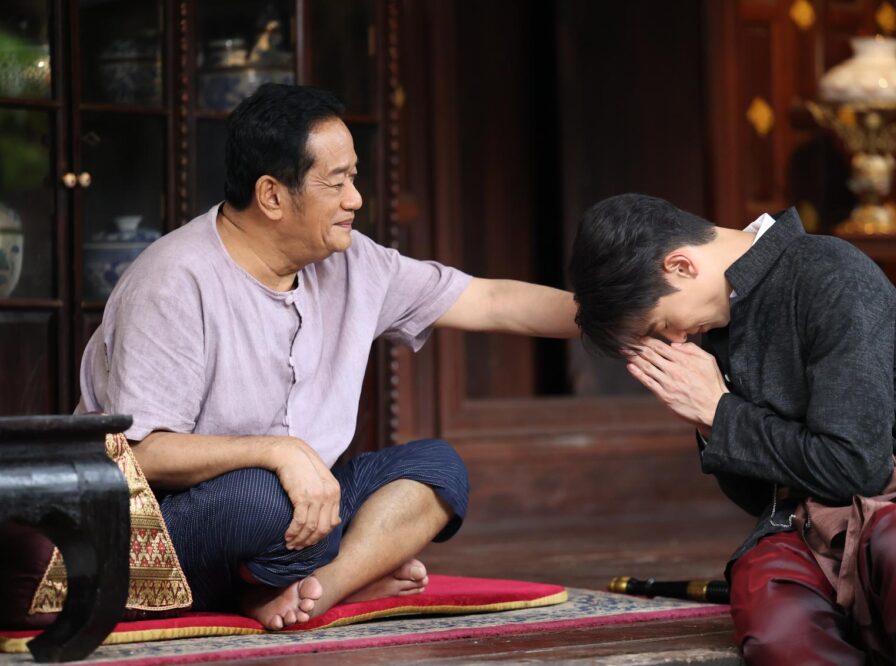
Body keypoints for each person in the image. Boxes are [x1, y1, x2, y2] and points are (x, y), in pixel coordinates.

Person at [76, 83, 578, 630]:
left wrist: (622, 318)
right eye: (336, 182)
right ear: (272, 196)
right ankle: (329, 568)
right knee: (270, 500)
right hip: (158, 523)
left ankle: (322, 587)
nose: (355, 199)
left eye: (353, 178)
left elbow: (493, 301)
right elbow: (139, 455)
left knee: (437, 469)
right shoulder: (174, 279)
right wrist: (278, 452)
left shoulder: (352, 263)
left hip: (302, 507)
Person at [568, 193, 896, 665]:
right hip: (803, 524)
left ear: (681, 266)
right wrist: (709, 423)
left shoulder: (831, 272)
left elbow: (857, 468)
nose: (677, 339)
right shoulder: (720, 316)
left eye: (663, 323)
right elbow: (760, 497)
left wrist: (721, 413)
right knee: (769, 604)